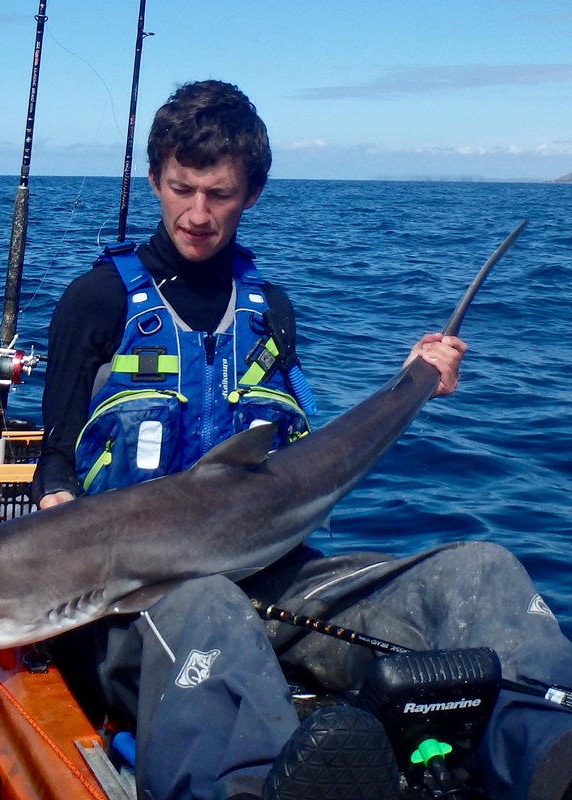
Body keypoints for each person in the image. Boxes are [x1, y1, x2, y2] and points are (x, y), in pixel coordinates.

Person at [32, 80, 572, 800]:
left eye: (219, 194)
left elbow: (298, 451)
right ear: (156, 178)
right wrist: (54, 508)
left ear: (251, 192)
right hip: (138, 596)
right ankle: (247, 787)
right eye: (181, 188)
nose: (197, 213)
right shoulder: (94, 301)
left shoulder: (271, 309)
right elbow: (53, 463)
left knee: (481, 567)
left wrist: (413, 379)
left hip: (276, 574)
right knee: (208, 605)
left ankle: (548, 755)